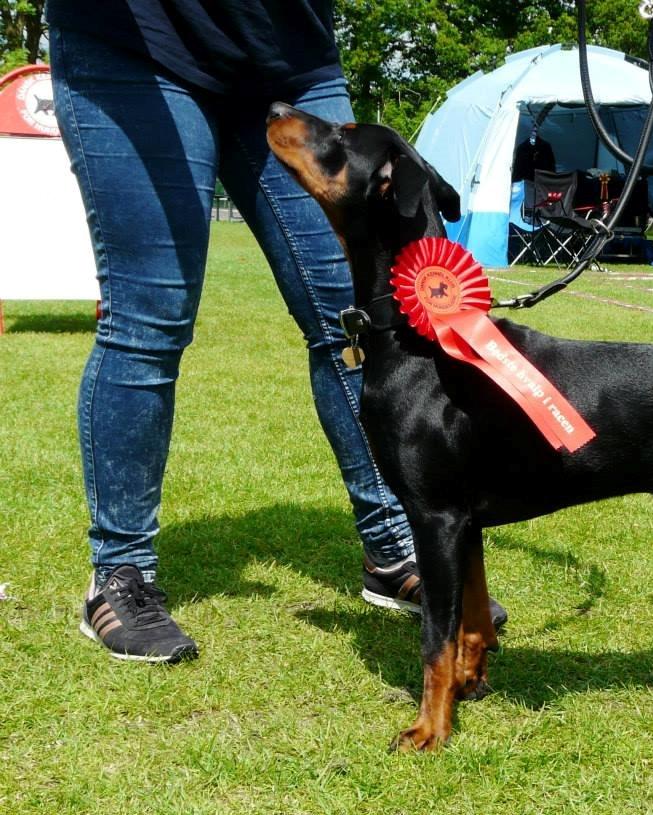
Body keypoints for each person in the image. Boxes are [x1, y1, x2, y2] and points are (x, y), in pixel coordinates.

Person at [47, 1, 505, 663]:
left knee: (352, 317)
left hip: (284, 52)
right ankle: (121, 574)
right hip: (137, 48)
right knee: (150, 316)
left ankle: (391, 547)